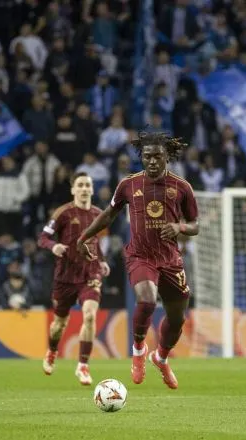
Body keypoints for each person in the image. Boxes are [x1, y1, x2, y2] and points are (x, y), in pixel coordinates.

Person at [77, 132, 199, 389]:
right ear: (141, 158)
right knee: (146, 299)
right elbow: (109, 214)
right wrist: (84, 236)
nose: (152, 161)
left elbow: (195, 225)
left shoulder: (182, 187)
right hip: (140, 255)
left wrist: (179, 227)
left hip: (170, 259)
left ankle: (161, 357)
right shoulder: (128, 185)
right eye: (147, 156)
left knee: (177, 318)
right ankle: (139, 351)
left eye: (157, 156)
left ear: (167, 156)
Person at [38, 172, 111, 386]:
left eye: (88, 185)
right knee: (59, 324)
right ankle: (52, 351)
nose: (84, 188)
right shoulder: (63, 213)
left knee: (89, 316)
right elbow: (43, 237)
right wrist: (54, 246)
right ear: (73, 190)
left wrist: (103, 261)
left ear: (92, 189)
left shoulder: (99, 214)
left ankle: (83, 366)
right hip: (65, 276)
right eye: (80, 185)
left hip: (90, 273)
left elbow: (95, 242)